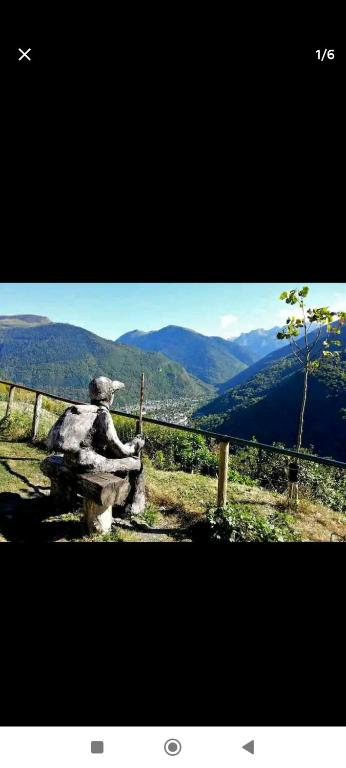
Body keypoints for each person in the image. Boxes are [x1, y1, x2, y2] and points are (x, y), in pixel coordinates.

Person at [46, 376, 145, 518]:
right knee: (136, 464)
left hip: (69, 461)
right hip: (87, 465)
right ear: (110, 396)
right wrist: (135, 445)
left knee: (118, 463)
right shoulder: (103, 415)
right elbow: (120, 450)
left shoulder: (83, 410)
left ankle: (63, 500)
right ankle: (135, 506)